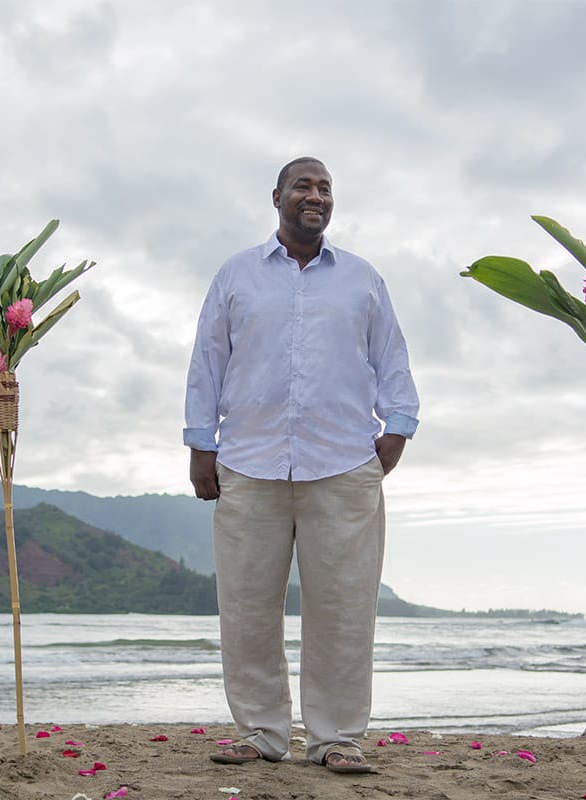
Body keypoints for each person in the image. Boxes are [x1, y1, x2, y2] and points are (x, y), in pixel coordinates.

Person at [183, 157, 419, 774]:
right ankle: (261, 732)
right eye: (303, 186)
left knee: (344, 609)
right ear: (277, 197)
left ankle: (335, 737)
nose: (315, 196)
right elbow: (208, 359)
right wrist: (200, 444)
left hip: (343, 464)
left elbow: (391, 357)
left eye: (325, 188)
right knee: (246, 607)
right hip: (248, 462)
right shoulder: (236, 275)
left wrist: (397, 428)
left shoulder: (363, 279)